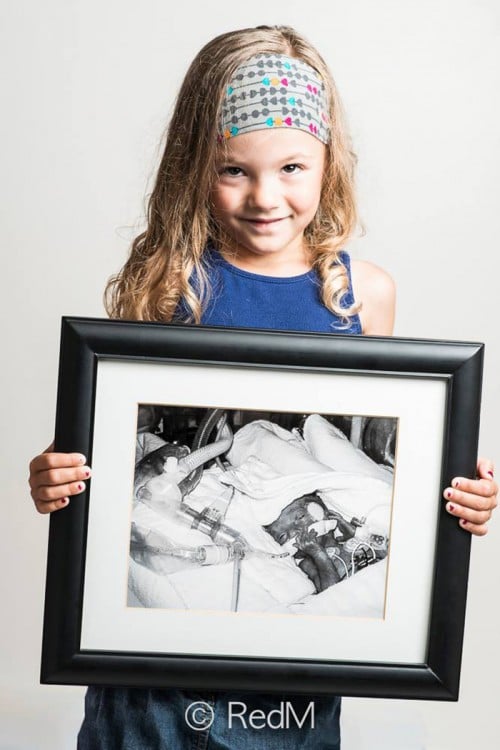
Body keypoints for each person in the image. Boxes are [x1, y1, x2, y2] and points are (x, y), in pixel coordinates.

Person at [28, 24, 497, 750]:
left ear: (327, 162)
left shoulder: (361, 296)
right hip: (155, 670)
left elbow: (388, 464)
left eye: (290, 168)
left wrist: (456, 492)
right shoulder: (172, 286)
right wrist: (59, 474)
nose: (264, 196)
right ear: (194, 167)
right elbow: (114, 445)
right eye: (233, 170)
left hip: (294, 673)